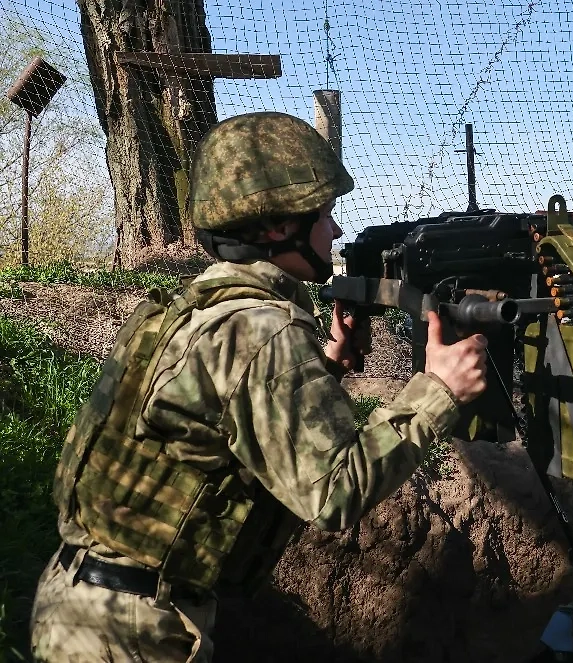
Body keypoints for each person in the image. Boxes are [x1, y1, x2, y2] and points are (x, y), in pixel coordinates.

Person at [29, 111, 488, 662]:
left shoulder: (198, 308)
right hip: (131, 630)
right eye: (323, 215)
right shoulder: (262, 330)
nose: (335, 231)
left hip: (76, 601)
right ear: (278, 228)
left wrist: (329, 364)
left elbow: (223, 421)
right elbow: (334, 494)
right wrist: (438, 389)